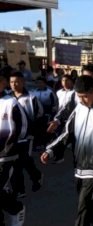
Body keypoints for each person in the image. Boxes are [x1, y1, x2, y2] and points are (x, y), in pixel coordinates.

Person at [41, 76, 93, 226]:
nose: (81, 100)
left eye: (85, 96)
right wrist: (50, 150)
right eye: (79, 96)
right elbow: (66, 133)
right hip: (79, 164)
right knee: (88, 202)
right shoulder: (78, 109)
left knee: (84, 205)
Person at [9, 72, 43, 198]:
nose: (14, 84)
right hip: (11, 136)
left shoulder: (31, 98)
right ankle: (22, 187)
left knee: (22, 161)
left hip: (27, 136)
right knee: (17, 162)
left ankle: (33, 179)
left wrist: (35, 134)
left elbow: (39, 115)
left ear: (23, 82)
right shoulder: (8, 98)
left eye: (17, 81)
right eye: (12, 82)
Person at [0, 75, 28, 226]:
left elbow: (23, 127)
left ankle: (16, 208)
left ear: (2, 83)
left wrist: (10, 147)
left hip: (5, 155)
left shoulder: (10, 103)